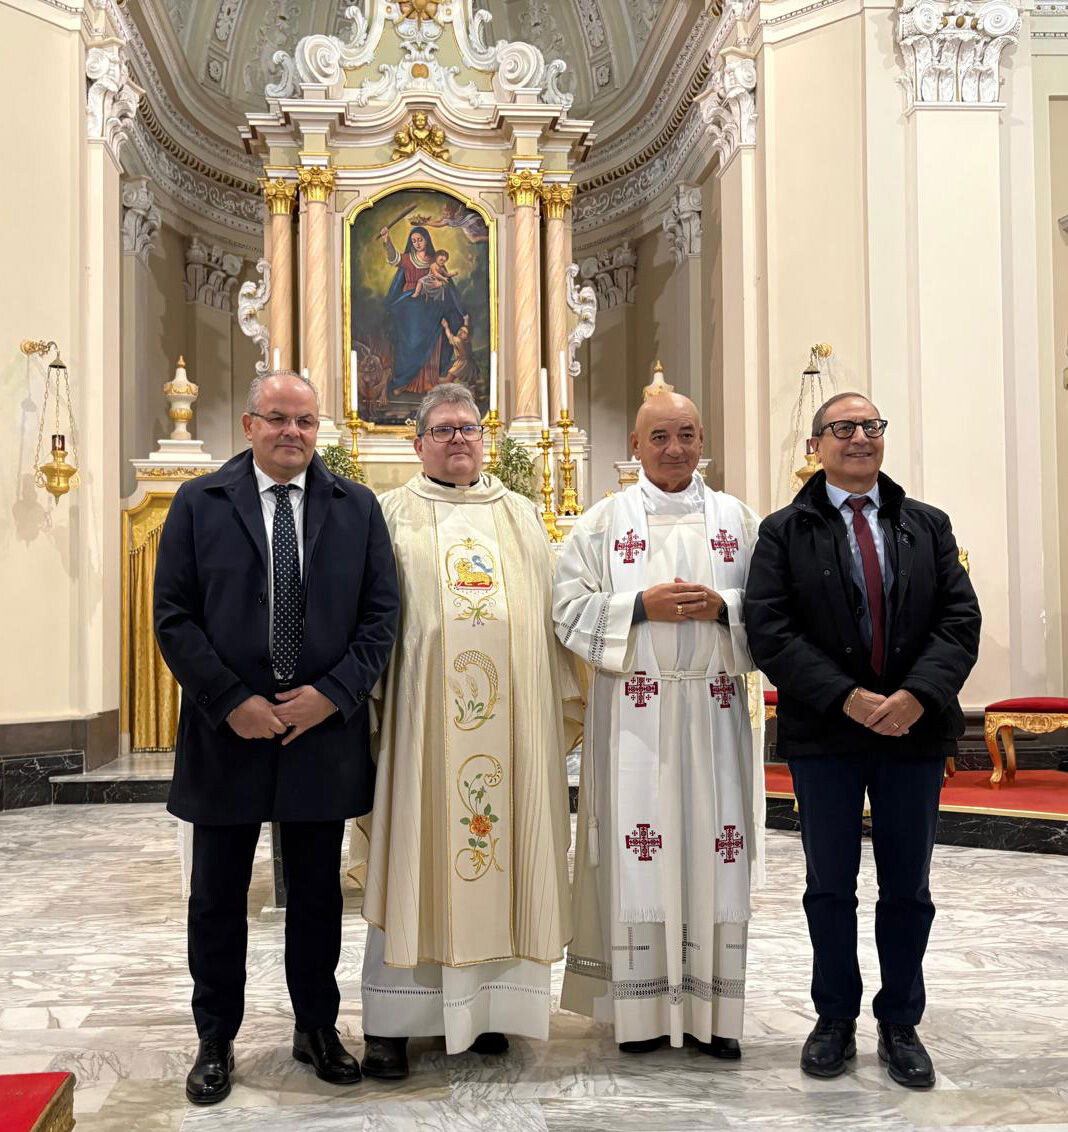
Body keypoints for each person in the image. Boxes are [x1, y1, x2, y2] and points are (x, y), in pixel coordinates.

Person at [154, 371, 399, 1105]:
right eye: (278, 419)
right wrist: (231, 700)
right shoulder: (200, 504)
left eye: (306, 422)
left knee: (318, 895)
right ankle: (215, 1036)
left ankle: (316, 1028)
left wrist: (332, 694)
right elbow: (173, 615)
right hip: (225, 730)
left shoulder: (356, 507)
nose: (292, 433)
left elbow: (381, 616)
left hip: (320, 733)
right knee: (218, 895)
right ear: (249, 423)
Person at [744, 392, 980, 1089]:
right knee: (830, 886)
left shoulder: (926, 525)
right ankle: (835, 1018)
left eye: (870, 427)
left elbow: (958, 620)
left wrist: (915, 697)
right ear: (815, 445)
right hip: (827, 733)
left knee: (908, 885)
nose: (858, 438)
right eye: (842, 429)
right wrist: (846, 697)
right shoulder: (783, 531)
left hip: (913, 731)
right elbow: (770, 630)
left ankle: (901, 1021)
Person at [354, 383, 582, 1079]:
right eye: (445, 429)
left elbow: (551, 626)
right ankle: (393, 1023)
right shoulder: (387, 515)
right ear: (417, 442)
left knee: (501, 853)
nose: (460, 439)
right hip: (419, 734)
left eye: (471, 429)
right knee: (413, 856)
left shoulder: (520, 516)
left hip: (509, 734)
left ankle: (488, 1011)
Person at [553, 391, 764, 1057]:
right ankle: (640, 1017)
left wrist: (726, 606)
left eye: (687, 434)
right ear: (636, 447)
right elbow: (564, 609)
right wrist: (637, 607)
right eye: (660, 437)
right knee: (638, 850)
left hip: (716, 712)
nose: (675, 449)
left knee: (717, 850)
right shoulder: (601, 524)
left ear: (704, 439)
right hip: (634, 718)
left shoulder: (740, 520)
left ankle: (713, 1013)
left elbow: (778, 609)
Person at [378, 224, 465, 395]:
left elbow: (446, 283)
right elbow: (394, 258)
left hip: (429, 305)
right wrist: (387, 240)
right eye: (414, 241)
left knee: (431, 339)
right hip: (410, 306)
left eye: (420, 240)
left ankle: (428, 382)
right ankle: (405, 381)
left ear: (426, 240)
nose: (417, 243)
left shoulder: (435, 260)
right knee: (408, 342)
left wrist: (441, 283)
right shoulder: (408, 258)